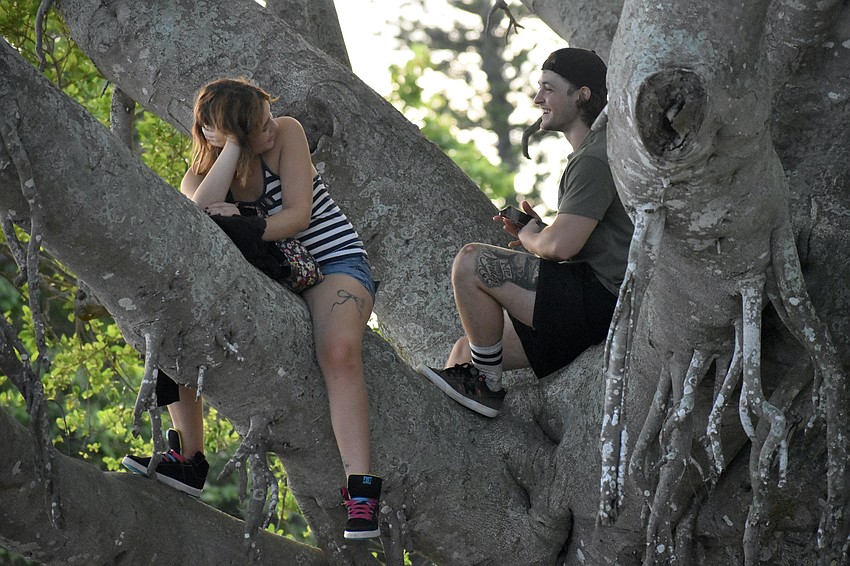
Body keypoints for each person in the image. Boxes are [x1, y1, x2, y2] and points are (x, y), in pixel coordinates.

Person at [122, 78, 382, 540]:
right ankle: (187, 458)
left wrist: (242, 220)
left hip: (333, 262)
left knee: (338, 352)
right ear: (232, 135)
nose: (271, 127)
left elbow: (298, 216)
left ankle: (362, 493)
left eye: (268, 117)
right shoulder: (200, 176)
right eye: (259, 126)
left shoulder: (288, 133)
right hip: (273, 274)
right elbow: (196, 216)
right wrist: (232, 150)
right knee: (174, 319)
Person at [418, 48, 633, 418]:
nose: (537, 99)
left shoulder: (595, 157)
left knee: (472, 262)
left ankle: (486, 385)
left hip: (604, 300)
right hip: (589, 298)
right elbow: (577, 240)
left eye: (548, 88)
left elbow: (560, 246)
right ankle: (467, 413)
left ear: (582, 94)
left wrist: (535, 237)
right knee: (466, 350)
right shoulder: (595, 152)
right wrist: (542, 231)